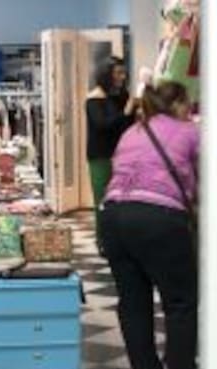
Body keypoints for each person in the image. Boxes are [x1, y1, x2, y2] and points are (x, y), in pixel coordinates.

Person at [100, 81, 199, 369]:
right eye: (188, 103)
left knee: (132, 300)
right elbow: (211, 174)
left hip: (112, 216)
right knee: (180, 299)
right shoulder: (190, 131)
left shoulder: (132, 131)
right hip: (159, 217)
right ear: (179, 104)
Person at [86, 56, 136, 253]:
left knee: (122, 200)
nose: (122, 77)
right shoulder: (94, 99)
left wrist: (131, 110)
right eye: (118, 73)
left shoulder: (121, 96)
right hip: (100, 156)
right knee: (103, 200)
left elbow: (127, 125)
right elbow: (103, 125)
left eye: (123, 73)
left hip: (123, 154)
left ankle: (119, 240)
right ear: (107, 74)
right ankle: (103, 241)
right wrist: (127, 111)